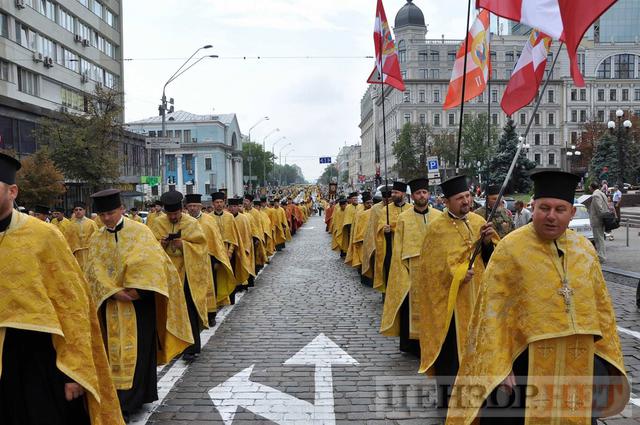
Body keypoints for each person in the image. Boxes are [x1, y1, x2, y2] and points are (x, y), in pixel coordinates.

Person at [446, 171, 629, 425]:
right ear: (533, 208)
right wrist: (499, 366)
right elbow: (490, 315)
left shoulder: (585, 251)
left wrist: (602, 360)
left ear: (571, 214)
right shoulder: (510, 249)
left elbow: (603, 311)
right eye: (544, 208)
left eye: (560, 209)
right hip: (525, 366)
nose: (551, 215)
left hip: (578, 366)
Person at [0, 152, 125, 425]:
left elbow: (72, 306)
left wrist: (75, 371)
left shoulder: (44, 236)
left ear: (12, 191)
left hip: (37, 355)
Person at [86, 189, 193, 420]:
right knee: (111, 353)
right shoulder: (96, 238)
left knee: (140, 350)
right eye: (102, 214)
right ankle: (119, 400)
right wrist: (114, 292)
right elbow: (92, 272)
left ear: (122, 209)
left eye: (110, 213)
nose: (106, 218)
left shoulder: (141, 232)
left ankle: (138, 396)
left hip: (139, 304)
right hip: (110, 304)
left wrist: (138, 291)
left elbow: (154, 264)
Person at [417, 175, 497, 420]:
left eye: (468, 196)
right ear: (446, 201)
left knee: (480, 349)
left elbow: (492, 259)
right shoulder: (436, 229)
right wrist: (458, 274)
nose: (466, 201)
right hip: (450, 306)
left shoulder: (479, 221)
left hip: (478, 298)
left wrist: (486, 242)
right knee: (451, 354)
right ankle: (449, 403)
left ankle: (480, 397)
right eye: (460, 198)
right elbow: (431, 271)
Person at [149, 191, 213, 361]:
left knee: (188, 311)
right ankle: (169, 347)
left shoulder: (191, 223)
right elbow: (148, 249)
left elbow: (201, 247)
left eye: (176, 214)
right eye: (170, 214)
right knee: (166, 310)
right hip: (166, 274)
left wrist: (183, 245)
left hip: (186, 274)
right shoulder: (156, 223)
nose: (173, 217)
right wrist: (160, 245)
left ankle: (191, 348)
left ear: (181, 210)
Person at [381, 178, 441, 356]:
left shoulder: (439, 216)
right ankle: (412, 346)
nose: (421, 196)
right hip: (411, 268)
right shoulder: (403, 218)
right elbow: (398, 245)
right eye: (418, 193)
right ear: (412, 196)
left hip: (433, 268)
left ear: (428, 194)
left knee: (433, 306)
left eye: (424, 192)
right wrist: (400, 269)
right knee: (410, 308)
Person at [184, 194, 235, 324]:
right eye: (190, 206)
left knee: (209, 288)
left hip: (207, 260)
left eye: (195, 205)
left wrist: (217, 261)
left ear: (200, 206)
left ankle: (210, 315)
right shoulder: (183, 221)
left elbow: (216, 241)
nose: (193, 208)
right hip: (188, 261)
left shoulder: (208, 220)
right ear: (186, 207)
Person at [373, 181, 409, 294]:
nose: (393, 194)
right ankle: (389, 293)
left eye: (396, 192)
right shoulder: (386, 210)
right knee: (390, 269)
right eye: (392, 192)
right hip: (391, 246)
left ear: (403, 194)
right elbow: (379, 227)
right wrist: (385, 230)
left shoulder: (411, 208)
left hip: (407, 247)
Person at [64, 201, 98, 271]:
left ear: (84, 211)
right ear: (74, 211)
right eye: (76, 210)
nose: (78, 211)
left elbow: (97, 237)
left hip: (89, 252)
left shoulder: (91, 223)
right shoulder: (70, 225)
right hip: (77, 253)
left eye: (80, 209)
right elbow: (67, 240)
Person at [588, 181, 609, 262]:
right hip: (601, 220)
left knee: (598, 239)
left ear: (592, 187)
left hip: (597, 220)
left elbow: (599, 209)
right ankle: (601, 255)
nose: (589, 187)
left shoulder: (595, 195)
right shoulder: (601, 193)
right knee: (600, 238)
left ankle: (601, 257)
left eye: (589, 186)